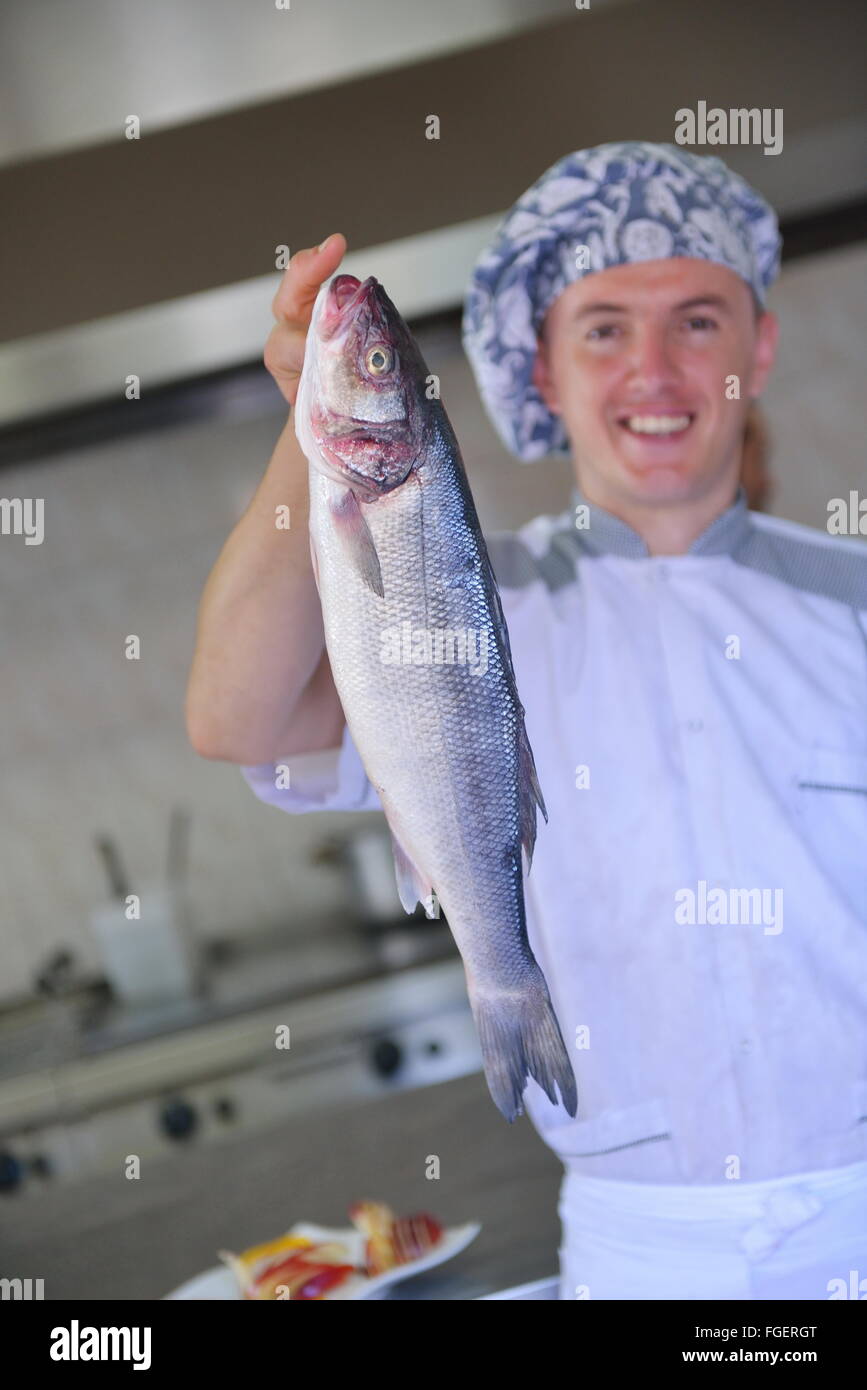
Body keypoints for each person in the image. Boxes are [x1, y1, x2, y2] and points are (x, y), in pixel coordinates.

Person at [186, 142, 867, 1300]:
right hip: (641, 1255)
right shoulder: (457, 598)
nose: (652, 368)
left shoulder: (851, 600)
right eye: (602, 327)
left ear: (759, 346)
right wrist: (314, 406)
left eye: (697, 321)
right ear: (540, 367)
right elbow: (236, 718)